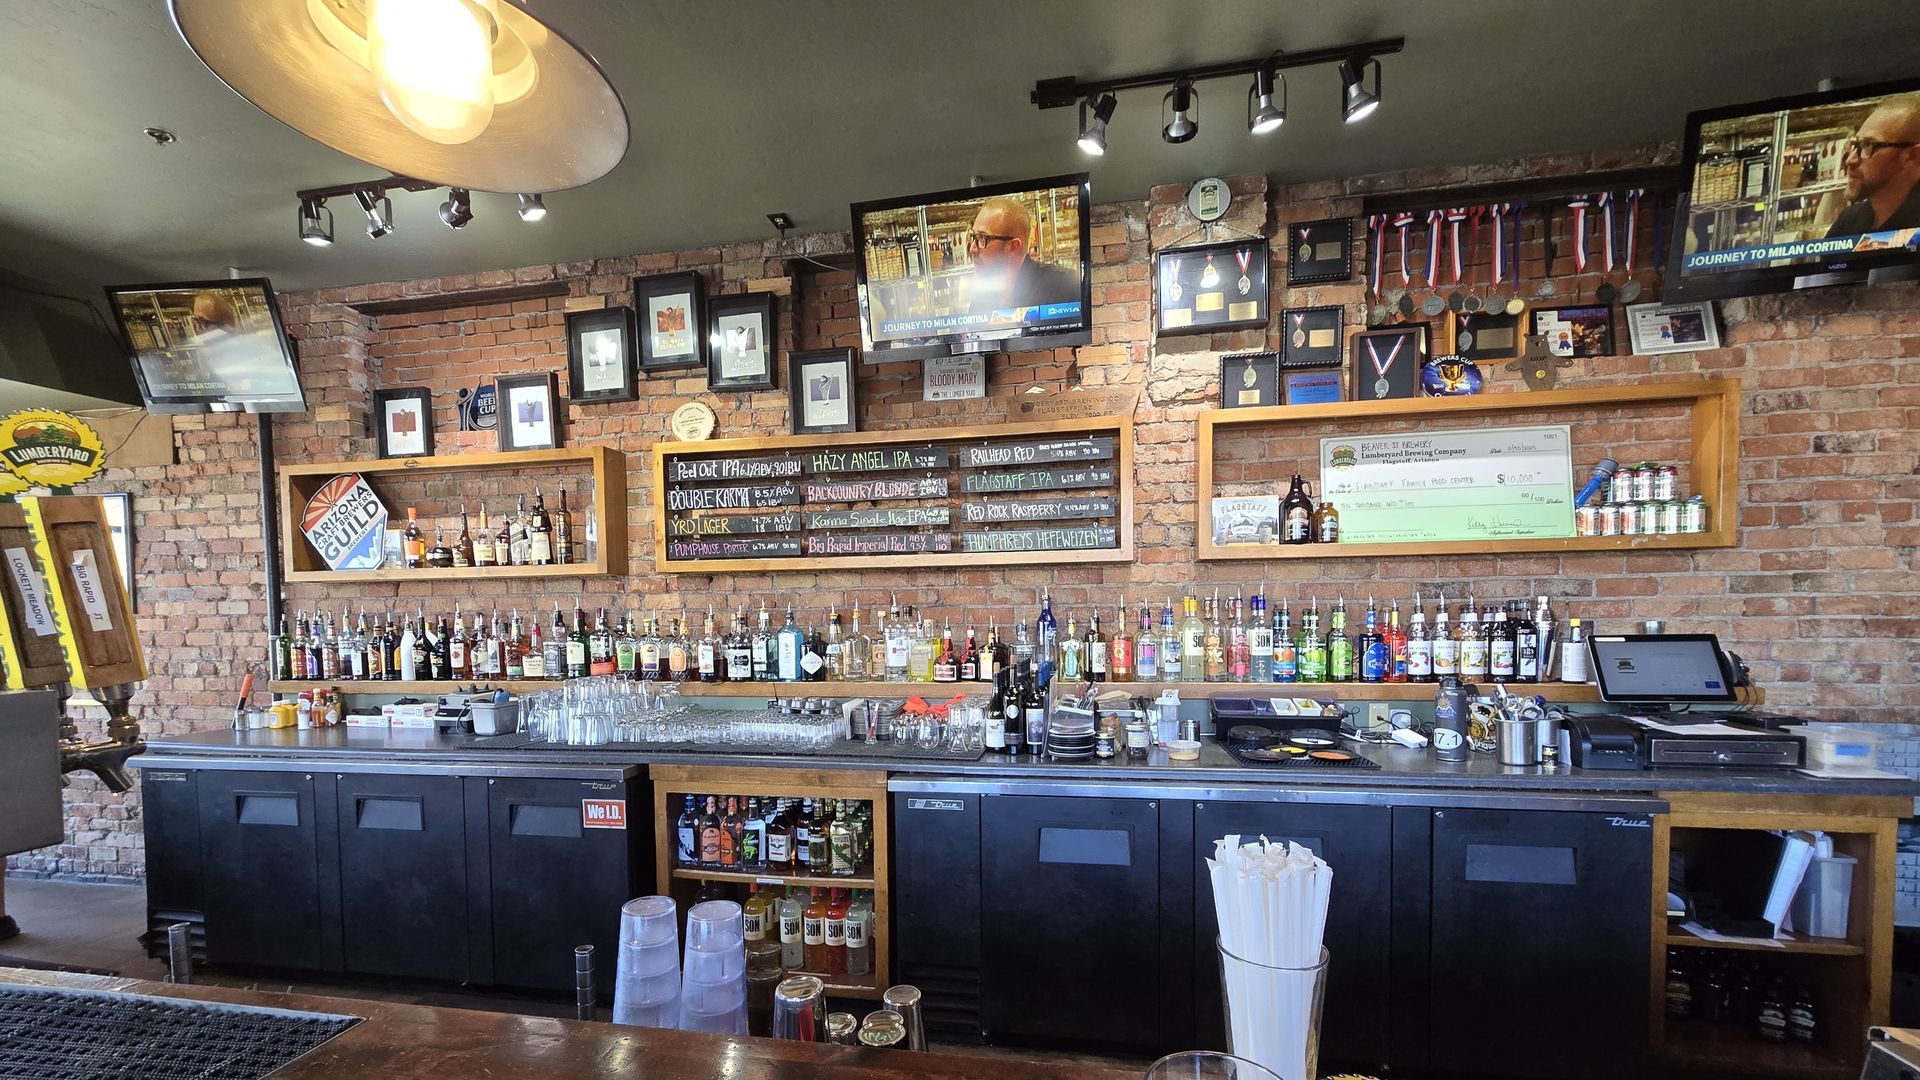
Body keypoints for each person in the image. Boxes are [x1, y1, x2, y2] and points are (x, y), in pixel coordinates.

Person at [1824, 94, 1920, 238]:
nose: (1850, 160)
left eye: (1868, 145)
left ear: (1913, 156)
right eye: (1855, 145)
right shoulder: (1848, 221)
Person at [965, 197, 1080, 315]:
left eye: (982, 238)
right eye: (972, 237)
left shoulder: (1066, 287)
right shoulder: (980, 302)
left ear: (1014, 246)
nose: (972, 249)